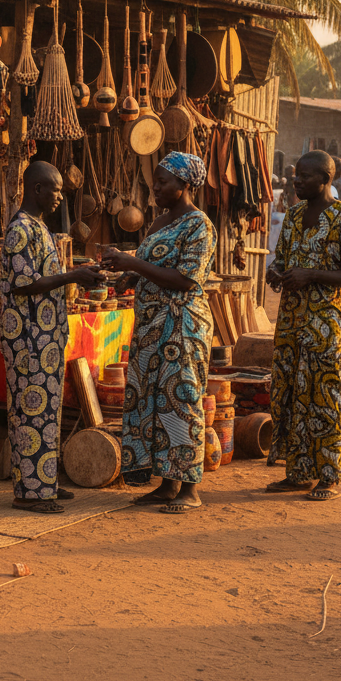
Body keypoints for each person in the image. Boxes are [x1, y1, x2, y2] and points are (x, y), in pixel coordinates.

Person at [101, 152, 216, 514]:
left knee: (180, 400)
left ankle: (190, 487)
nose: (155, 188)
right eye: (157, 180)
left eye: (163, 182)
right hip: (151, 327)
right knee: (153, 401)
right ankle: (167, 485)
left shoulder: (200, 226)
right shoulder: (158, 224)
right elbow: (153, 266)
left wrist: (133, 262)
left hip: (182, 326)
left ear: (184, 186)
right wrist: (128, 274)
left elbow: (185, 280)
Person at [0, 162, 104, 514]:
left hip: (43, 338)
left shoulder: (38, 226)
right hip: (27, 338)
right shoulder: (19, 230)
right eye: (55, 189)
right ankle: (29, 493)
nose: (60, 196)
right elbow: (25, 283)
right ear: (35, 189)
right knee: (30, 410)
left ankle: (44, 483)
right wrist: (72, 275)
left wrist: (74, 276)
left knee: (45, 410)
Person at [265, 150, 341, 501]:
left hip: (327, 322)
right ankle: (298, 474)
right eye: (295, 176)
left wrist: (313, 275)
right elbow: (282, 261)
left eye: (304, 177)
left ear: (325, 180)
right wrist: (276, 274)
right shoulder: (293, 217)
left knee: (325, 394)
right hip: (292, 320)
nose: (296, 182)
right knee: (292, 393)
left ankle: (329, 474)